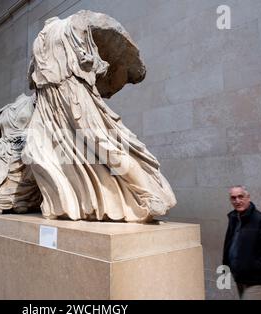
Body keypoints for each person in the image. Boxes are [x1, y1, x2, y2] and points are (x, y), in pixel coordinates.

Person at [22, 10, 176, 222]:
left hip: (74, 92)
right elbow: (31, 77)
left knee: (102, 144)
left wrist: (90, 63)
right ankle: (71, 202)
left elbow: (100, 65)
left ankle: (150, 194)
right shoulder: (40, 39)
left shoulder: (78, 22)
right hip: (47, 101)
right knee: (41, 150)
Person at [222, 185, 261, 300]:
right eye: (233, 198)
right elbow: (230, 245)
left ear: (248, 198)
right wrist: (226, 267)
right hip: (240, 277)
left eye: (240, 197)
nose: (237, 201)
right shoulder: (234, 219)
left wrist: (253, 266)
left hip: (256, 281)